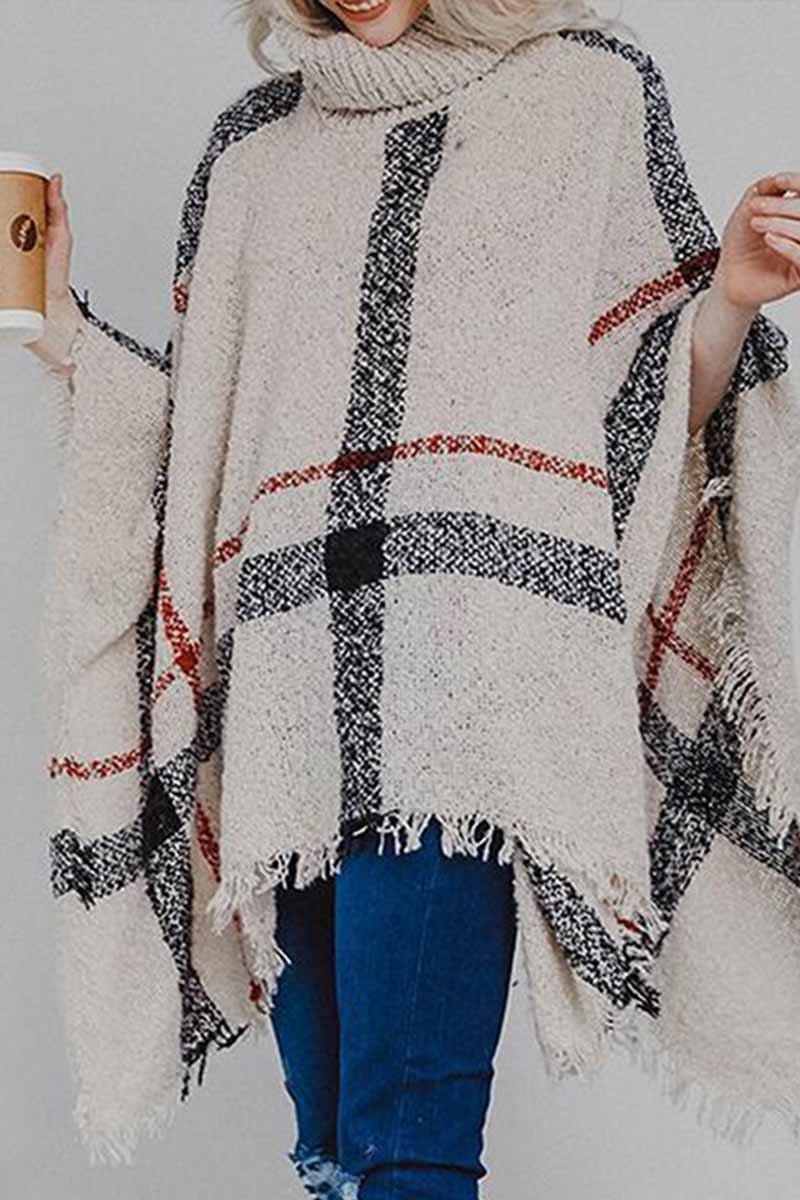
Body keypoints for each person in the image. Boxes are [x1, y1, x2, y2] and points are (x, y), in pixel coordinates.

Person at [25, 0, 800, 1190]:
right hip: (287, 707)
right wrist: (62, 332)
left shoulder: (585, 91)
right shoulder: (250, 151)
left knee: (407, 1142)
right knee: (336, 1149)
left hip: (465, 694)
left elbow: (639, 412)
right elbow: (208, 447)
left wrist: (728, 296)